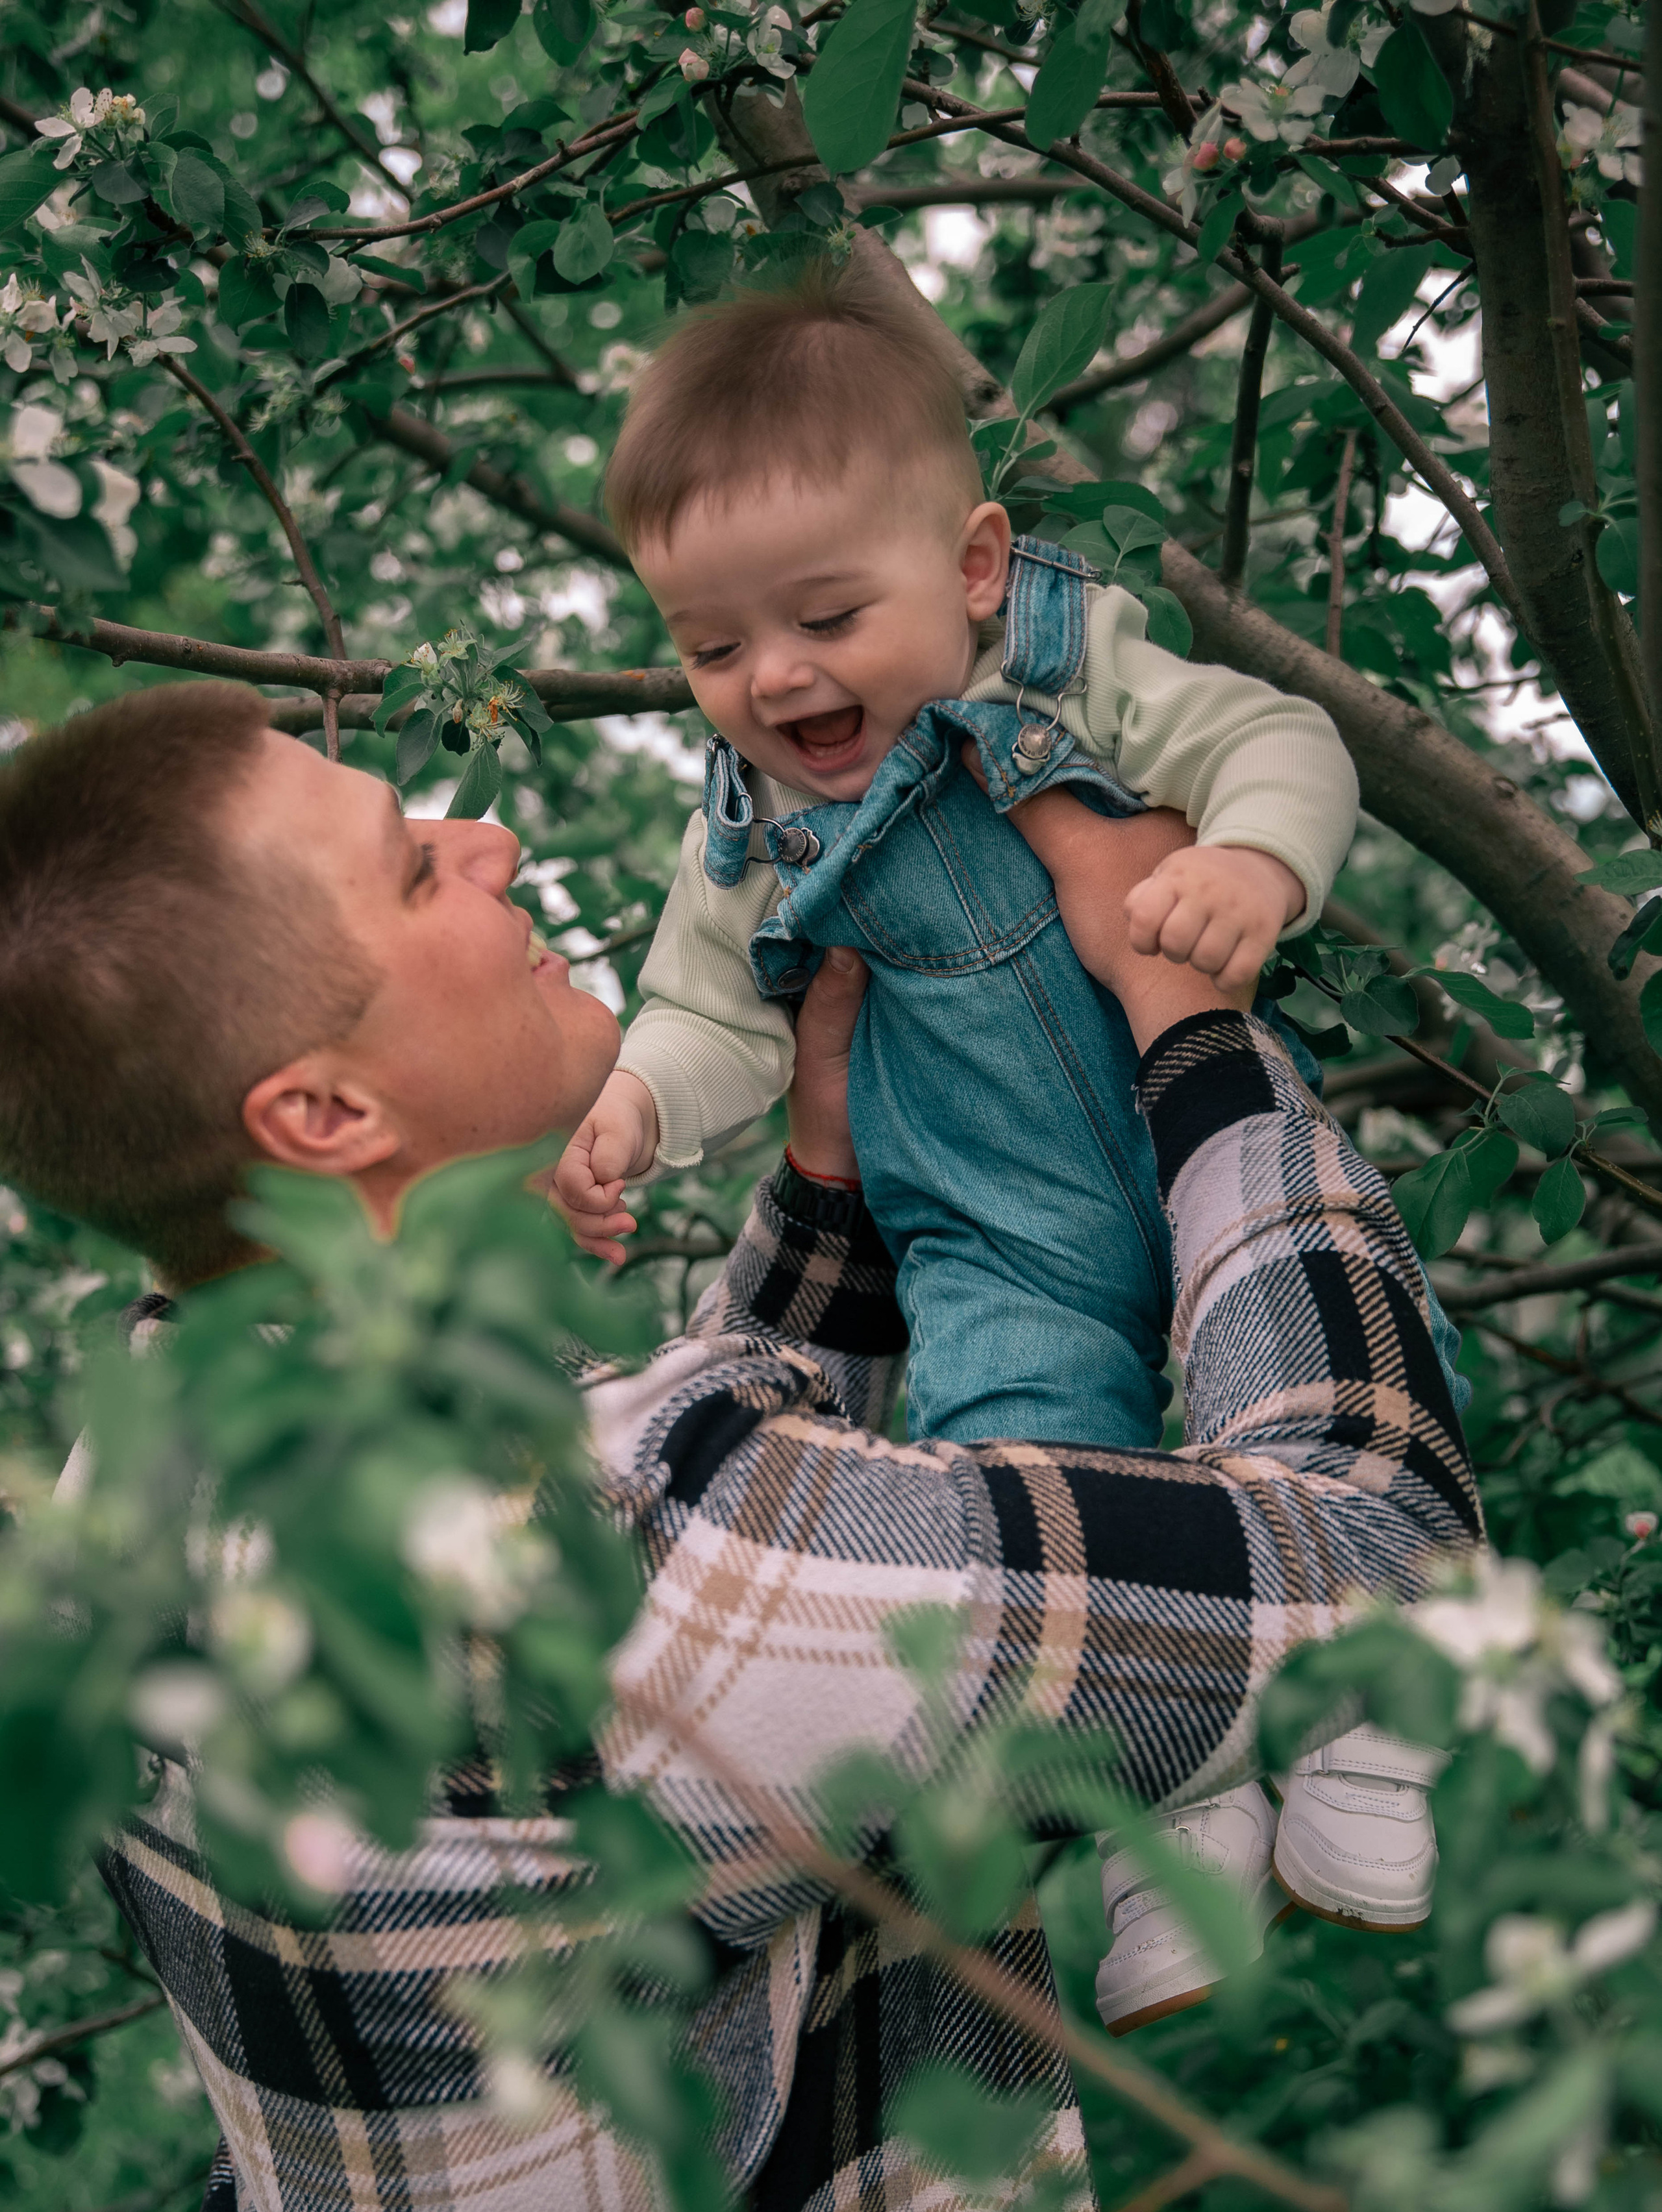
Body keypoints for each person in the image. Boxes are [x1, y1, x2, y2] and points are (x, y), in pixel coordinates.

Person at [0, 686, 1476, 2212]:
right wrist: (1201, 1047)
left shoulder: (141, 1480)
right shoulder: (624, 1539)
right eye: (412, 869)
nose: (494, 844)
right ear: (322, 1108)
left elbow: (682, 1707)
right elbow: (1379, 1552)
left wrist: (827, 1194)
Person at [550, 262, 1463, 2034]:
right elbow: (714, 1009)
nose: (777, 680)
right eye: (713, 647)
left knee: (1349, 1385)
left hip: (1175, 1126)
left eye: (823, 616)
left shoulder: (1073, 661)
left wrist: (1257, 866)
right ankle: (1159, 1847)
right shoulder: (747, 828)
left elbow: (1271, 737)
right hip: (984, 1231)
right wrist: (641, 1106)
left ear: (973, 570)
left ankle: (1378, 1743)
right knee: (1054, 1526)